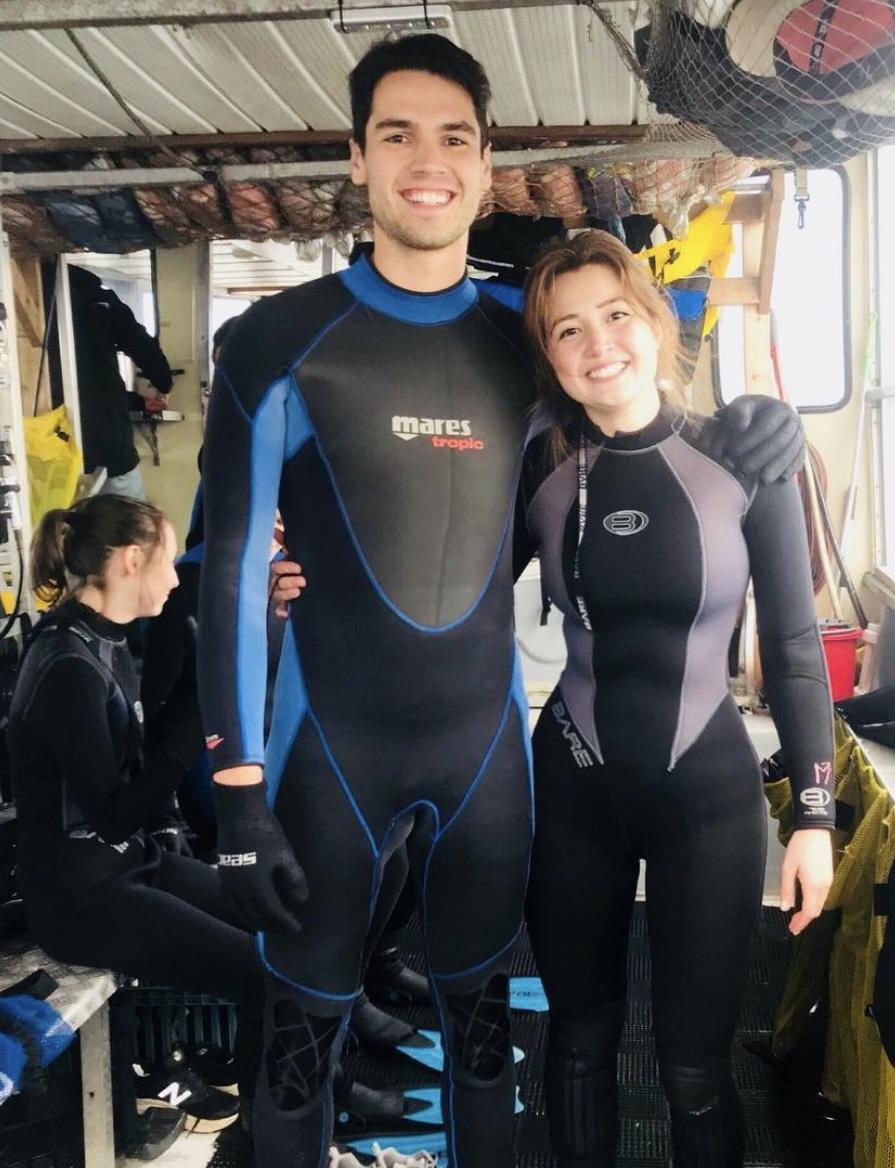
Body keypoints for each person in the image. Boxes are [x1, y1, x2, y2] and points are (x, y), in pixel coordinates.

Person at [198, 34, 807, 1168]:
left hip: (485, 762)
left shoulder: (519, 345)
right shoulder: (277, 343)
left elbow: (629, 429)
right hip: (322, 753)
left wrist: (758, 426)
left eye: (454, 139)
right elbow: (231, 563)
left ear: (484, 170)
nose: (427, 162)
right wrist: (236, 793)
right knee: (293, 1047)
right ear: (358, 159)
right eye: (398, 136)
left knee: (483, 1044)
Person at [515, 231, 836, 1167]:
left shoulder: (745, 457)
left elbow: (794, 646)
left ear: (657, 324)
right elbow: (440, 593)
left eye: (616, 315)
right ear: (550, 355)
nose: (597, 343)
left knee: (694, 1069)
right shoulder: (539, 469)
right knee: (577, 1046)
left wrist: (813, 818)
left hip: (709, 798)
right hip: (573, 784)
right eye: (567, 329)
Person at [5, 494, 264, 1131]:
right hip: (79, 895)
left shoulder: (103, 638)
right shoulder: (66, 664)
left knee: (276, 923)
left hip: (125, 863)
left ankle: (293, 1093)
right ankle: (274, 1137)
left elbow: (131, 777)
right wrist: (193, 724)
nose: (176, 578)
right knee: (261, 974)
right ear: (129, 561)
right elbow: (114, 812)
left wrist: (171, 824)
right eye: (168, 562)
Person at [55, 266, 172, 500]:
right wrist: (163, 383)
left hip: (51, 447)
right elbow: (141, 345)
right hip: (108, 445)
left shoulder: (29, 296)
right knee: (130, 524)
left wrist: (138, 401)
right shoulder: (100, 302)